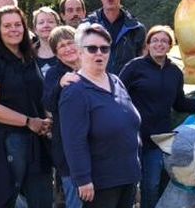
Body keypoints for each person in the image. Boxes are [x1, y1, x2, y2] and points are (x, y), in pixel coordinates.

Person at [118, 25, 195, 208]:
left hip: (161, 139)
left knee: (156, 185)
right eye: (155, 40)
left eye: (164, 41)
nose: (159, 44)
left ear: (170, 46)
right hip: (133, 137)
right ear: (148, 44)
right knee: (136, 186)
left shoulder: (175, 72)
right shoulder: (134, 67)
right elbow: (117, 95)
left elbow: (179, 103)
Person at [0, 6, 52, 207]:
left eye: (17, 24)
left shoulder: (29, 58)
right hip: (6, 142)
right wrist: (28, 121)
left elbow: (38, 96)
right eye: (7, 25)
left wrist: (46, 120)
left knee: (41, 200)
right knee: (7, 201)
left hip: (37, 142)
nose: (13, 29)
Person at [60, 23, 141, 208]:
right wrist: (82, 179)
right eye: (92, 48)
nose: (99, 53)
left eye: (104, 48)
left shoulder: (116, 80)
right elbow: (73, 141)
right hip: (99, 183)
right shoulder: (75, 91)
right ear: (80, 52)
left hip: (127, 175)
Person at [41, 25, 84, 208]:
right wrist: (60, 85)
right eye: (61, 46)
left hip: (97, 149)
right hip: (68, 150)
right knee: (76, 199)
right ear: (55, 53)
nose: (68, 49)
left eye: (70, 43)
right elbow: (48, 103)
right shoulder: (54, 74)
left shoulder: (93, 66)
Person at [84, 0, 146, 74]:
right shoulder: (87, 27)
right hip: (95, 84)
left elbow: (143, 63)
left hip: (127, 86)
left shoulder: (136, 29)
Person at [33, 6, 61, 78]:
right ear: (35, 29)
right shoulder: (29, 54)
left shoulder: (67, 50)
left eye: (50, 22)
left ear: (58, 26)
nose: (46, 25)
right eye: (41, 22)